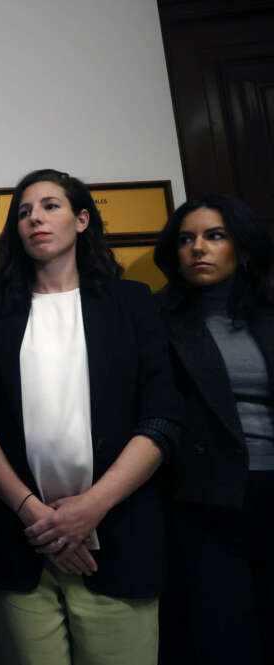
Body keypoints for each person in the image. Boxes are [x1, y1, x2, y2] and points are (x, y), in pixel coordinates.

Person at [0, 169, 182, 665]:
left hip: (118, 538)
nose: (35, 217)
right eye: (23, 211)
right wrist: (33, 514)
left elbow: (163, 417)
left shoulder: (132, 303)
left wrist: (91, 508)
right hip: (22, 546)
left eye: (50, 206)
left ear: (83, 220)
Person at [153, 195, 274, 665]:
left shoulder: (266, 311)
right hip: (204, 496)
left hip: (270, 484)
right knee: (221, 635)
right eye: (186, 239)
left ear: (242, 249)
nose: (197, 248)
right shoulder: (157, 317)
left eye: (214, 236)